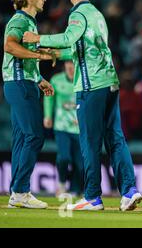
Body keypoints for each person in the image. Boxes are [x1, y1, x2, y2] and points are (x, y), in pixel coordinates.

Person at [22, 0, 142, 211]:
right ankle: (129, 190)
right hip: (110, 82)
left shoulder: (77, 15)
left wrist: (39, 38)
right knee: (115, 139)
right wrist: (58, 54)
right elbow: (87, 50)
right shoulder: (97, 14)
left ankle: (92, 196)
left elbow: (69, 38)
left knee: (89, 141)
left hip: (91, 87)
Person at [3, 0, 54, 209]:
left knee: (22, 139)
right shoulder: (20, 20)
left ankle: (17, 192)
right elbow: (10, 46)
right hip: (19, 85)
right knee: (35, 136)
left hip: (24, 83)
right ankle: (21, 191)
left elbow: (22, 56)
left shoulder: (29, 22)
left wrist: (40, 79)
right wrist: (39, 56)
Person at [44, 60, 84, 197]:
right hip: (61, 127)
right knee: (64, 158)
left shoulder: (84, 79)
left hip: (80, 128)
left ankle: (75, 189)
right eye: (69, 68)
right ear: (65, 67)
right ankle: (61, 184)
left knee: (80, 164)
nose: (71, 70)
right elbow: (49, 97)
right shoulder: (56, 80)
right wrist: (47, 115)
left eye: (73, 67)